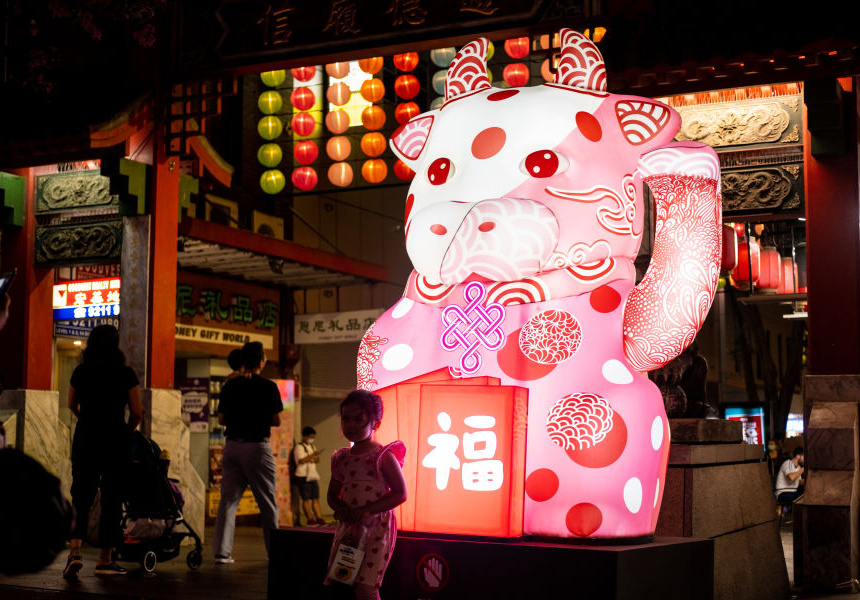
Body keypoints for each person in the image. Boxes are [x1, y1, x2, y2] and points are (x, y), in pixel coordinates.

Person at [63, 324, 142, 578]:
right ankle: (104, 560)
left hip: (86, 438)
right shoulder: (126, 373)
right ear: (116, 345)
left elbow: (71, 404)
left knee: (81, 497)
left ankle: (74, 552)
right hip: (115, 440)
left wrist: (85, 418)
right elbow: (137, 412)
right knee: (112, 499)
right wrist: (127, 430)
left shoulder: (81, 371)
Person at [325, 390, 406, 600]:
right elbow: (332, 494)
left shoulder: (383, 456)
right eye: (346, 419)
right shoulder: (342, 458)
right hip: (350, 528)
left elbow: (400, 493)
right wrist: (340, 508)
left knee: (366, 587)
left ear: (375, 423)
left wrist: (367, 510)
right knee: (345, 582)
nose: (350, 425)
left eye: (358, 419)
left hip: (376, 530)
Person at [212, 341, 282, 564]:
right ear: (261, 362)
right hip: (256, 447)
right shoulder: (269, 386)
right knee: (267, 502)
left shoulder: (229, 386)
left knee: (228, 501)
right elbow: (276, 420)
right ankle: (275, 553)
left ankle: (222, 553)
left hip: (232, 445)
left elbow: (221, 419)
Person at [294, 426, 325, 526]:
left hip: (312, 475)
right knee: (306, 498)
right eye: (311, 437)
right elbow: (301, 460)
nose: (312, 439)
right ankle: (310, 519)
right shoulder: (299, 447)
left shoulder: (312, 446)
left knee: (315, 498)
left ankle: (319, 518)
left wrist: (314, 457)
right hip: (302, 476)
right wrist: (312, 456)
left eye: (313, 437)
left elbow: (317, 459)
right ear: (305, 436)